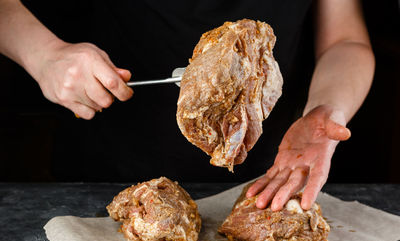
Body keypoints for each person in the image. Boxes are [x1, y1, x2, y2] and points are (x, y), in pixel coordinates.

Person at [0, 0, 374, 211]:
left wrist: (327, 110)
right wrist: (45, 55)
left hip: (264, 181)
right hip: (101, 183)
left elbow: (344, 39)